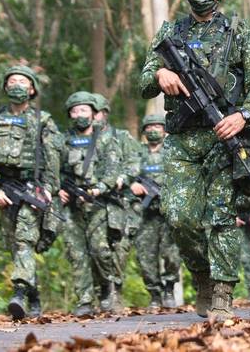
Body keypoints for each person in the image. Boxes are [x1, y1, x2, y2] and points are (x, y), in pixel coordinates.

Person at [139, 0, 250, 320]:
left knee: (221, 216)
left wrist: (242, 117)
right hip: (182, 140)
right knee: (180, 217)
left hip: (223, 139)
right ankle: (201, 277)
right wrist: (159, 77)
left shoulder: (239, 32)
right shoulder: (170, 34)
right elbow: (144, 81)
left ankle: (223, 296)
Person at [0, 65, 59, 320]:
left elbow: (53, 160)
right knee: (15, 247)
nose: (17, 85)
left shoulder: (42, 120)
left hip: (31, 191)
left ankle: (19, 294)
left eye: (22, 81)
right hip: (5, 191)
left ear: (32, 89)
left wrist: (47, 190)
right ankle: (34, 296)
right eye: (12, 81)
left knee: (25, 241)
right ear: (5, 87)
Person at [56, 91, 123, 316]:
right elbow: (54, 169)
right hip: (73, 206)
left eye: (84, 110)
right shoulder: (63, 140)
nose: (79, 114)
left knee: (100, 250)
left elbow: (113, 171)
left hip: (97, 204)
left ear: (94, 114)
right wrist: (60, 190)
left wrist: (99, 188)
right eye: (75, 111)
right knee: (77, 253)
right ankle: (84, 300)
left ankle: (105, 287)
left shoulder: (105, 138)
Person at [91, 92, 142, 311]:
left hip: (120, 203)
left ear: (104, 114)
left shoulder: (121, 137)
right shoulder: (82, 139)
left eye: (97, 112)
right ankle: (104, 289)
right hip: (94, 203)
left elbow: (134, 163)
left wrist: (123, 178)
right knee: (98, 249)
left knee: (120, 250)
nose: (93, 117)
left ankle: (116, 291)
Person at [130, 114, 182, 308]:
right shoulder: (137, 153)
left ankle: (169, 288)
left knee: (172, 254)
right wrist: (133, 185)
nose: (153, 130)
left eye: (157, 127)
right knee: (145, 256)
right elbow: (126, 173)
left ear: (165, 130)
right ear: (144, 131)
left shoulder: (173, 151)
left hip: (169, 211)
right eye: (149, 127)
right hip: (145, 214)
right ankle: (154, 294)